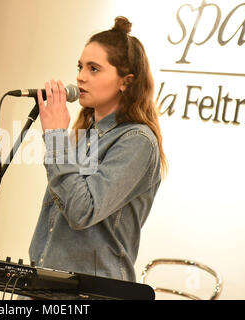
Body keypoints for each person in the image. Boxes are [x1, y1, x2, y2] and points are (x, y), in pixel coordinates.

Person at [28, 16, 167, 284]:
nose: (80, 76)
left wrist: (56, 137)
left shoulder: (137, 141)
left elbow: (82, 212)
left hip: (94, 290)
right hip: (47, 284)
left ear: (125, 81)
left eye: (94, 69)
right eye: (80, 66)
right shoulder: (85, 133)